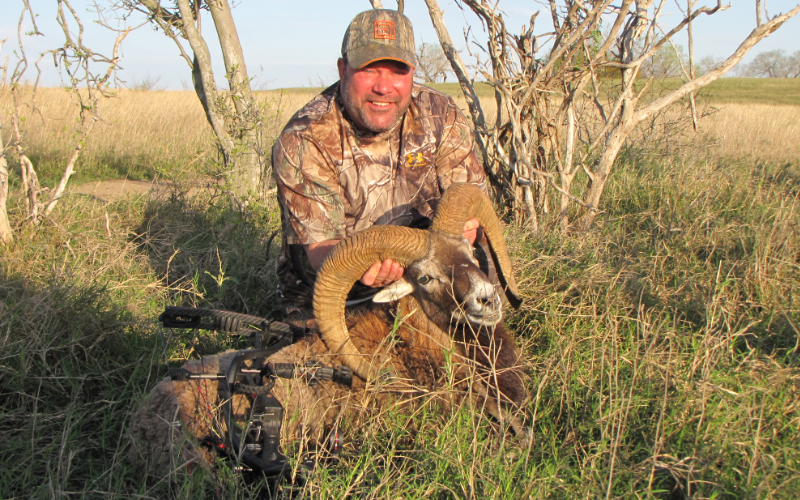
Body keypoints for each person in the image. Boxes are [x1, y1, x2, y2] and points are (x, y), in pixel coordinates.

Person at [272, 8, 490, 321]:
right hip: (340, 290)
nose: (384, 87)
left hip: (433, 274)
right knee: (328, 364)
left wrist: (468, 230)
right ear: (342, 70)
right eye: (370, 69)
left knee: (479, 350)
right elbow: (320, 246)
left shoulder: (441, 114)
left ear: (413, 71)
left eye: (397, 71)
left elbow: (471, 204)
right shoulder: (305, 138)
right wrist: (365, 262)